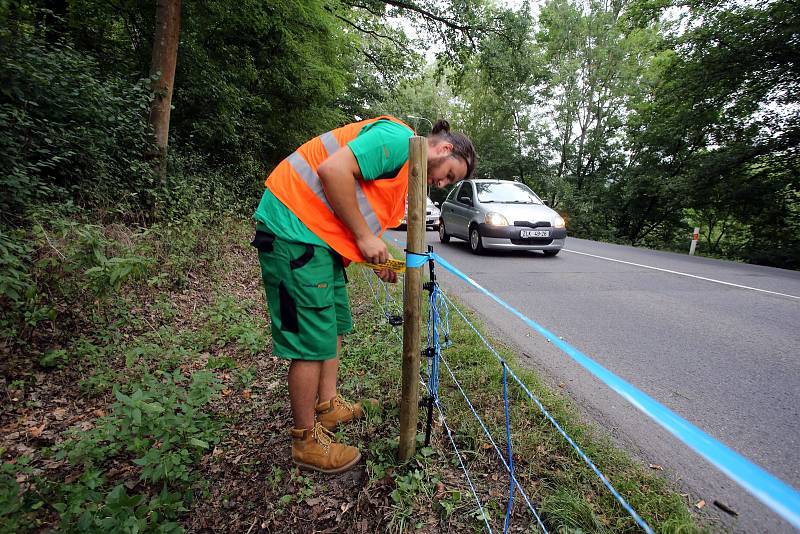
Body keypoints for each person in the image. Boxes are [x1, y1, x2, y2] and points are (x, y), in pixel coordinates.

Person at [252, 116, 476, 473]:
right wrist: (363, 237)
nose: (442, 183)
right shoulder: (398, 138)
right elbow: (332, 170)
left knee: (334, 325)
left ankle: (327, 406)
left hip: (319, 240)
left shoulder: (405, 174)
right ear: (444, 148)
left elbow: (358, 207)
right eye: (449, 175)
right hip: (294, 229)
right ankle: (304, 441)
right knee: (311, 340)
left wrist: (375, 254)